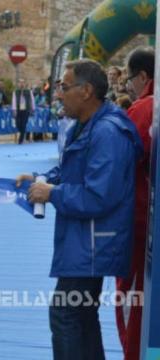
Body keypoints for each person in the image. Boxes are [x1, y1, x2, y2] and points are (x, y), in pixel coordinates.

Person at [16, 59, 142, 360]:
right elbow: (75, 171)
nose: (58, 94)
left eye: (64, 87)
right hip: (87, 240)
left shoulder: (107, 132)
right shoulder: (90, 125)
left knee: (66, 315)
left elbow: (99, 195)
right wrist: (41, 179)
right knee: (81, 317)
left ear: (86, 91)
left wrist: (53, 193)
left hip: (95, 241)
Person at [115, 46, 154, 360]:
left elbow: (120, 165)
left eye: (128, 79)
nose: (127, 86)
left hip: (143, 230)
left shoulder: (145, 110)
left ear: (143, 76)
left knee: (134, 306)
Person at [11, 79, 35, 144]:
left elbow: (32, 100)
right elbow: (14, 101)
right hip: (18, 110)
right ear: (18, 84)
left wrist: (33, 108)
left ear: (25, 84)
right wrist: (14, 109)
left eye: (23, 83)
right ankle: (22, 135)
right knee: (18, 124)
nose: (21, 84)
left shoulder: (29, 91)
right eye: (20, 83)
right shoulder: (15, 92)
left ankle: (21, 139)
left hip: (26, 110)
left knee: (24, 124)